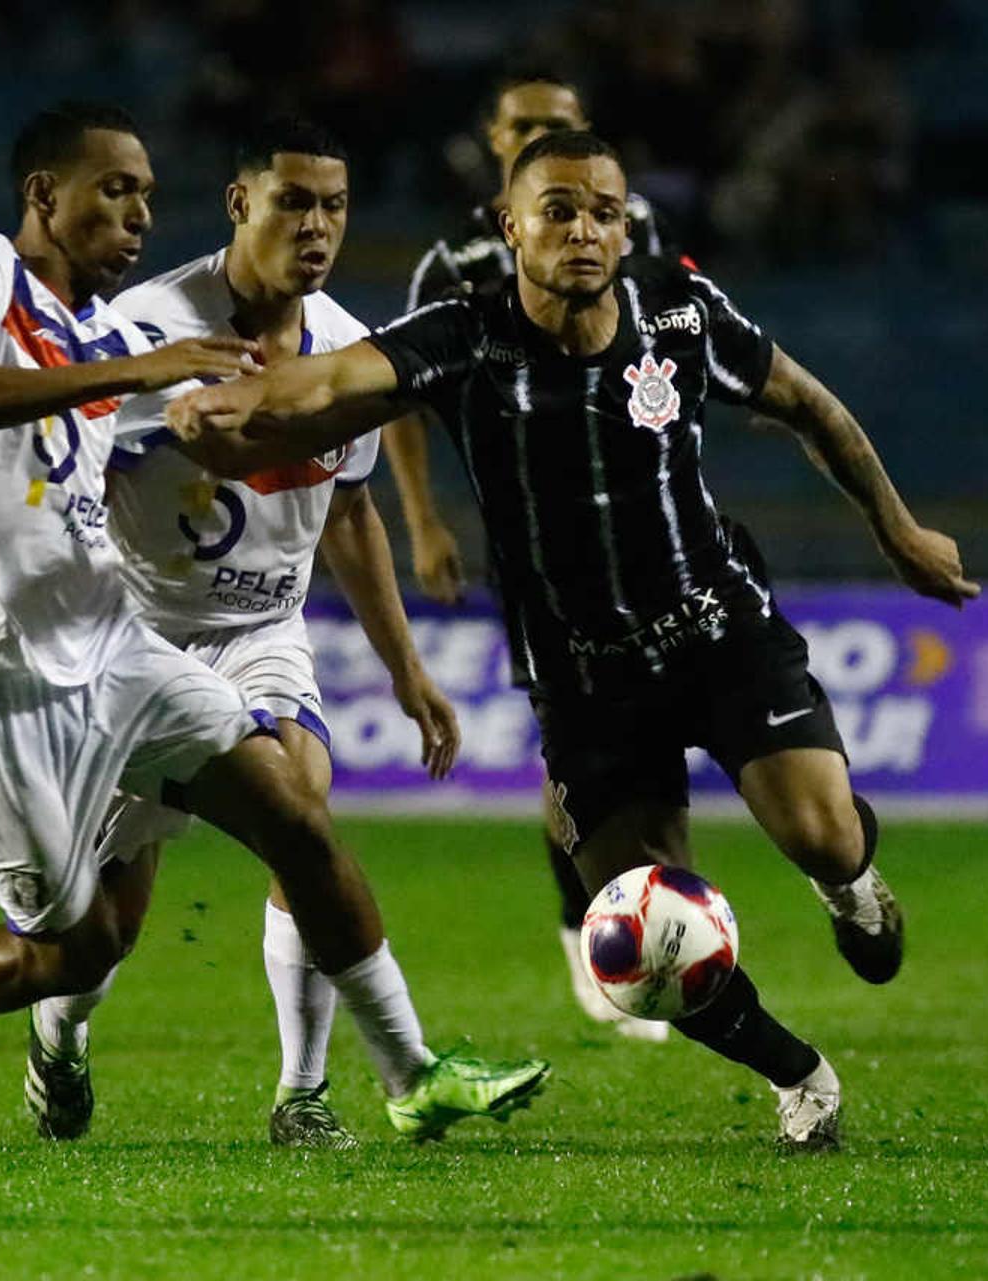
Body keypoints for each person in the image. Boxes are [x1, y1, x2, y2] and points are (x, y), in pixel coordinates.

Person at [167, 130, 975, 1150]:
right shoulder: (463, 336)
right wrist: (238, 399)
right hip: (588, 684)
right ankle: (800, 1076)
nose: (585, 231)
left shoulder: (681, 315)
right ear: (511, 227)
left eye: (604, 212)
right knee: (633, 948)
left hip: (716, 630)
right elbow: (328, 384)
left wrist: (897, 530)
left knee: (818, 831)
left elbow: (809, 406)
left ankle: (850, 881)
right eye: (559, 211)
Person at [0, 101, 550, 1144]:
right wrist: (150, 377)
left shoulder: (128, 332)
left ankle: (401, 1074)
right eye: (114, 189)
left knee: (296, 814)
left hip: (127, 650)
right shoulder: (1, 275)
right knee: (87, 947)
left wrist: (403, 659)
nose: (138, 211)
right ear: (45, 196)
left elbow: (299, 488)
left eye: (144, 192)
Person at [387, 72, 675, 1042]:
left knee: (651, 745)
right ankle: (587, 927)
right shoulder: (457, 261)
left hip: (639, 533)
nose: (546, 136)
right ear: (492, 138)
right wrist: (424, 522)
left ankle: (639, 920)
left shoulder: (626, 227)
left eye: (562, 126)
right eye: (528, 128)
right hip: (537, 549)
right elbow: (402, 397)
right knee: (576, 749)